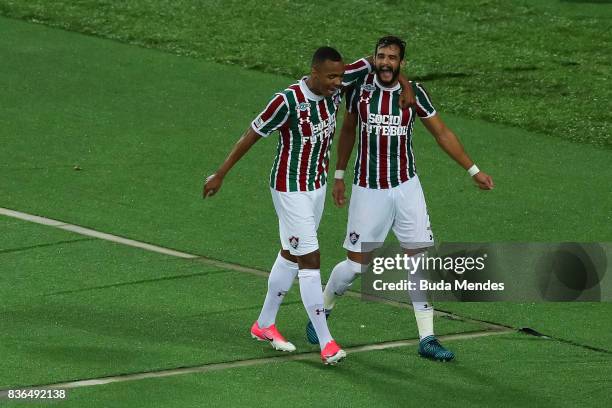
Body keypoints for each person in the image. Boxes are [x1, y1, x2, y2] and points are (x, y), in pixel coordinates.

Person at [203, 46, 416, 365]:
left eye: (340, 76)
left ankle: (263, 324)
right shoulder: (286, 101)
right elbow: (252, 134)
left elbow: (381, 62)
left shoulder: (341, 81)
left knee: (291, 253)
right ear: (313, 73)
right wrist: (220, 173)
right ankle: (326, 342)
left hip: (316, 187)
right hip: (289, 189)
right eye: (330, 77)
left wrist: (408, 88)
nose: (337, 83)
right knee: (310, 257)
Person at [306, 36, 494, 362]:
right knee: (355, 267)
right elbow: (348, 130)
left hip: (407, 187)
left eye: (393, 58)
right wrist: (339, 174)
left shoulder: (414, 93)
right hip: (369, 189)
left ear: (401, 63)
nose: (386, 62)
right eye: (382, 56)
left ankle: (427, 338)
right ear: (374, 58)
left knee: (419, 260)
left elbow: (441, 133)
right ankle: (323, 309)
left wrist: (472, 169)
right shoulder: (359, 88)